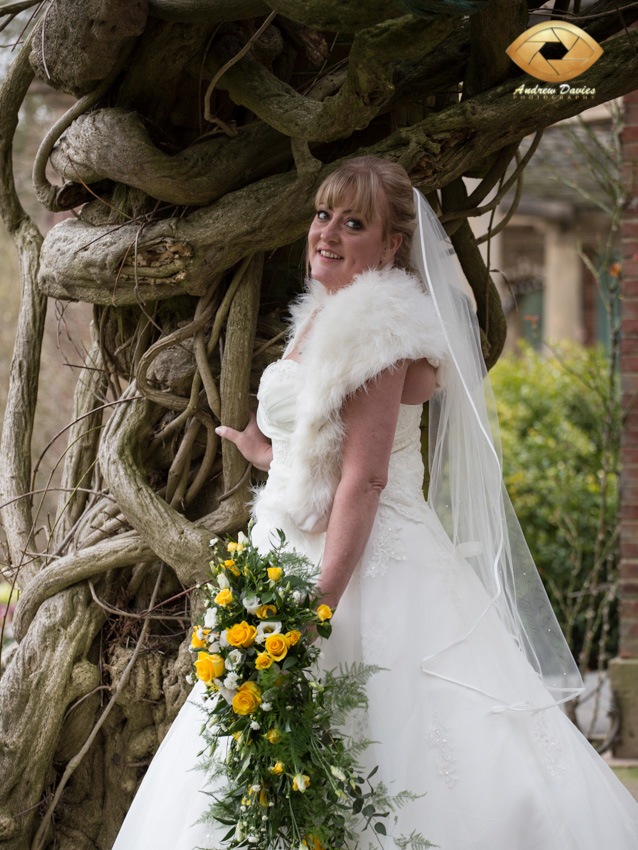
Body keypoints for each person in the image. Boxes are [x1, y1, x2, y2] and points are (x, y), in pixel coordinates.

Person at [112, 157, 638, 850]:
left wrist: (318, 606)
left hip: (362, 562)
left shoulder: (377, 327)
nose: (326, 233)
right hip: (290, 543)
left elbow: (365, 480)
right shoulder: (325, 316)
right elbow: (327, 454)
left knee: (388, 741)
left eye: (353, 223)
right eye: (323, 214)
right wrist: (268, 454)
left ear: (391, 245)